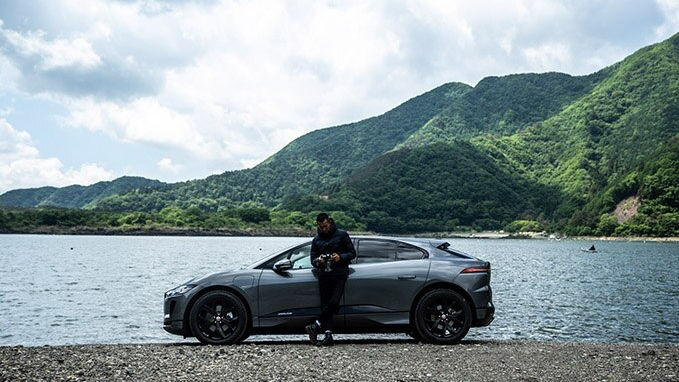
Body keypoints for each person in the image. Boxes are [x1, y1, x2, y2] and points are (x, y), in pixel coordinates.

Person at [305, 212, 356, 346]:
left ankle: (315, 325)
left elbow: (352, 253)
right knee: (325, 304)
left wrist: (340, 257)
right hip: (324, 275)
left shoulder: (342, 234)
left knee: (334, 302)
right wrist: (319, 261)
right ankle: (328, 336)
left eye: (325, 226)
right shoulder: (316, 240)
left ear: (330, 222)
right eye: (321, 227)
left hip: (340, 273)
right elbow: (312, 260)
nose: (323, 229)